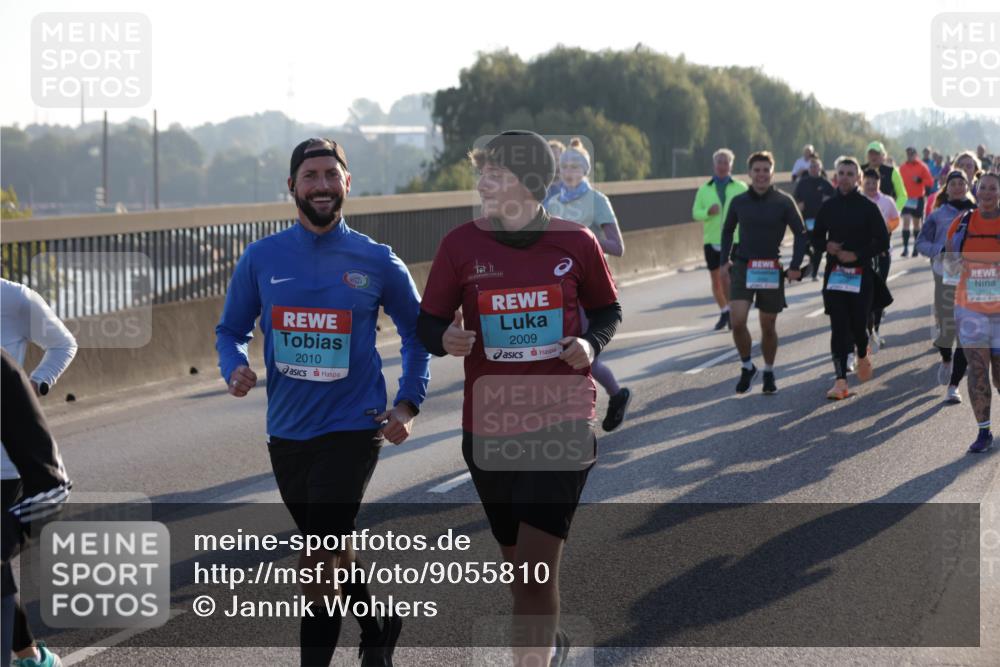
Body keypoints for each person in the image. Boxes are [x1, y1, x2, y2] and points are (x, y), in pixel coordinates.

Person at [215, 138, 430, 667]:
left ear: (347, 184)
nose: (321, 186)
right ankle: (378, 624)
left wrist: (407, 404)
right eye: (310, 176)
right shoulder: (262, 257)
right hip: (287, 432)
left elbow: (417, 333)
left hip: (353, 427)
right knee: (328, 546)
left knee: (316, 561)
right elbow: (230, 329)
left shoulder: (377, 260)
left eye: (331, 175)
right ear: (292, 187)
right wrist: (233, 367)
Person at [418, 130, 621, 667]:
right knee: (520, 575)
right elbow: (427, 322)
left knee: (534, 575)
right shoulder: (459, 245)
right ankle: (546, 641)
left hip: (562, 421)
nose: (484, 182)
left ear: (531, 182)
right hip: (487, 428)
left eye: (497, 173)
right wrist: (445, 338)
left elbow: (607, 311)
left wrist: (588, 342)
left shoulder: (576, 241)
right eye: (482, 171)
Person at [0, 278, 77, 667]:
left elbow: (64, 343)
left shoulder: (15, 297)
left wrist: (33, 386)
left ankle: (28, 655)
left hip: (6, 462)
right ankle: (28, 654)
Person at [544, 138, 631, 431]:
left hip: (589, 288)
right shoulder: (552, 203)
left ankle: (610, 399)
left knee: (584, 357)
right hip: (557, 289)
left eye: (574, 166)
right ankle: (591, 407)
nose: (568, 171)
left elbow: (618, 247)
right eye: (564, 166)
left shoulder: (597, 200)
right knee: (556, 355)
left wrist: (585, 240)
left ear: (585, 169)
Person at [720, 150, 808, 394]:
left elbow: (801, 234)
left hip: (770, 268)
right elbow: (727, 231)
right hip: (743, 265)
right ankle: (747, 366)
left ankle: (768, 370)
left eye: (765, 170)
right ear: (749, 173)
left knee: (767, 326)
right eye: (756, 170)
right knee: (737, 321)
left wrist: (794, 266)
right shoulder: (739, 201)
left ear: (772, 172)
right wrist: (723, 261)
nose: (761, 175)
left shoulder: (783, 201)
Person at [813, 157, 891, 400]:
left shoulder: (868, 207)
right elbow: (814, 238)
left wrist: (856, 254)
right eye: (841, 173)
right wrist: (827, 245)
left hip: (861, 274)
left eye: (850, 173)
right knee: (838, 325)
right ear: (835, 177)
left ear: (857, 178)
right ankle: (840, 381)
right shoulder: (828, 207)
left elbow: (882, 241)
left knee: (858, 324)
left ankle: (862, 349)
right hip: (835, 276)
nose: (845, 177)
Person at [943, 172, 1000, 452]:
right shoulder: (962, 223)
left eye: (993, 188)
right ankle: (983, 432)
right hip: (971, 311)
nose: (988, 192)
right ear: (976, 191)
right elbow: (950, 269)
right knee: (977, 370)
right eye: (984, 188)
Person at [916, 170, 978, 404]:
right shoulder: (938, 214)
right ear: (947, 187)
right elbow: (921, 242)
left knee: (966, 330)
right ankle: (945, 358)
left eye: (962, 183)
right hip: (946, 273)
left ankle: (954, 385)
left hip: (973, 275)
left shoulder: (978, 211)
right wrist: (938, 251)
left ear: (967, 185)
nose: (959, 187)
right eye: (954, 183)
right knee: (946, 326)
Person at [691, 148, 749, 330]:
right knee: (716, 280)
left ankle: (733, 311)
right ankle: (725, 311)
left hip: (735, 239)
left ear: (731, 165)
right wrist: (708, 212)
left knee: (731, 279)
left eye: (726, 162)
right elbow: (695, 213)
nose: (723, 166)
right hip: (712, 240)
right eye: (719, 162)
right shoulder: (704, 189)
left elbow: (750, 209)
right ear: (714, 165)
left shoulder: (740, 187)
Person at [861, 169, 901, 352]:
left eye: (874, 183)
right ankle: (864, 332)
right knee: (864, 294)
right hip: (864, 254)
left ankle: (875, 329)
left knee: (878, 292)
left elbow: (895, 219)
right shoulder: (859, 200)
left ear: (879, 183)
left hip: (883, 253)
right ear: (862, 183)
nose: (871, 186)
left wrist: (886, 228)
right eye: (867, 183)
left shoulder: (887, 201)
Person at [793, 155, 835, 280]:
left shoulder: (825, 183)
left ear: (820, 168)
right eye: (811, 166)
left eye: (816, 166)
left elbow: (835, 196)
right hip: (805, 218)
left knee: (818, 247)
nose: (813, 168)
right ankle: (811, 257)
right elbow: (795, 196)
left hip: (820, 220)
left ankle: (815, 273)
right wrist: (799, 202)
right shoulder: (803, 182)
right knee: (803, 245)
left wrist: (828, 200)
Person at [862, 141, 907, 249]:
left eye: (877, 154)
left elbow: (902, 195)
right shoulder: (860, 170)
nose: (873, 157)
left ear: (883, 155)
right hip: (863, 217)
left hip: (885, 219)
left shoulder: (892, 171)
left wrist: (894, 209)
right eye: (871, 153)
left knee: (882, 250)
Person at [898, 147, 934, 257]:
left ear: (916, 154)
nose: (910, 156)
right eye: (908, 154)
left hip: (918, 198)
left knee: (916, 224)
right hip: (906, 199)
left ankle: (915, 248)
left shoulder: (922, 166)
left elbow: (930, 182)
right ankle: (905, 248)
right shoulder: (902, 168)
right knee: (905, 222)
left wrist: (920, 180)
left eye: (912, 154)